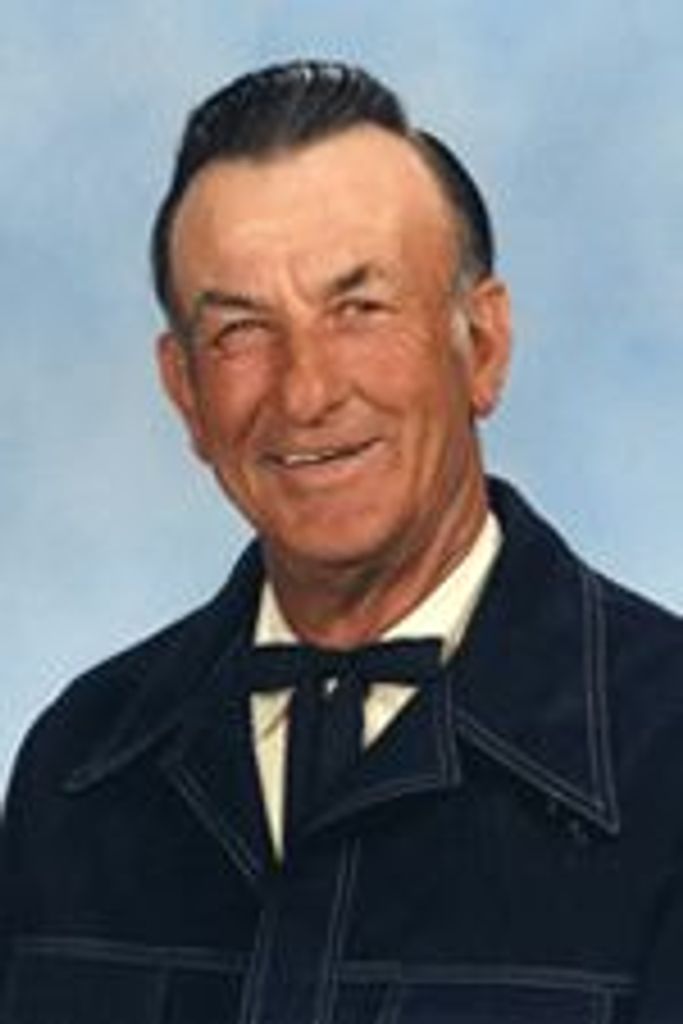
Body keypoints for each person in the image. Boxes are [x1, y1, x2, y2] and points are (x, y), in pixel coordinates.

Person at [1, 59, 682, 1024]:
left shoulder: (666, 755)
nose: (306, 392)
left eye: (359, 310)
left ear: (482, 347)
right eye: (240, 331)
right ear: (186, 393)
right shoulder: (77, 767)